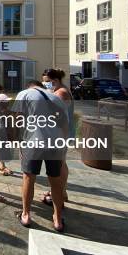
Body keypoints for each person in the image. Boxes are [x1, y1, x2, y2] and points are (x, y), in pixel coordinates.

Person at [12, 80, 69, 232]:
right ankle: (57, 219)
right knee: (55, 181)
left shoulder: (24, 94)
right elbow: (64, 124)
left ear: (29, 86)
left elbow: (18, 120)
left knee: (28, 177)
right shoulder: (56, 98)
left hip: (34, 141)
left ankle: (26, 215)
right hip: (56, 143)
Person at [41, 68, 75, 208]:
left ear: (55, 80)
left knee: (59, 164)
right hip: (61, 132)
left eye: (47, 82)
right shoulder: (60, 90)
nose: (46, 85)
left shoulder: (61, 93)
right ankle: (62, 191)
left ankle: (59, 193)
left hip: (59, 133)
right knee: (61, 162)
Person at [0, 84, 14, 176]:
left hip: (0, 130)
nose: (8, 103)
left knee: (0, 148)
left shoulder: (3, 109)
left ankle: (2, 165)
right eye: (6, 102)